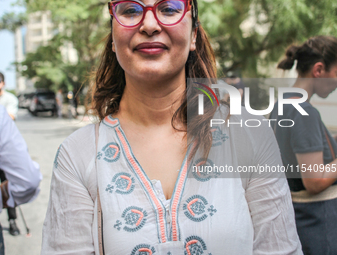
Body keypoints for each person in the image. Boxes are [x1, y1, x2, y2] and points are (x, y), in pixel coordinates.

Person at [42, 0, 302, 254]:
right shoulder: (77, 154)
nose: (150, 24)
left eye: (169, 8)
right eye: (131, 9)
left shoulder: (247, 133)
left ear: (193, 36)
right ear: (113, 37)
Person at [270, 36, 337, 255]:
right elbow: (315, 181)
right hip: (317, 225)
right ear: (319, 70)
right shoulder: (304, 112)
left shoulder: (282, 104)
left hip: (298, 221)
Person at [0, 103, 42, 254]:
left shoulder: (8, 99)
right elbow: (27, 181)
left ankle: (12, 220)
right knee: (10, 188)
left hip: (3, 154)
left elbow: (13, 116)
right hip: (7, 148)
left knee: (7, 181)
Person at [0, 71, 21, 236]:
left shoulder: (10, 99)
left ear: (3, 83)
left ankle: (12, 220)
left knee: (8, 185)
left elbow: (9, 119)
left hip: (4, 150)